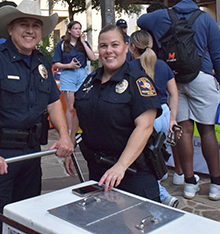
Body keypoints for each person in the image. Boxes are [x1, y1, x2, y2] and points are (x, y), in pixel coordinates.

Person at [0, 0, 73, 234]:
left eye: (36, 25)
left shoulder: (42, 61)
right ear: (10, 29)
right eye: (23, 24)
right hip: (0, 155)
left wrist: (65, 136)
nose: (30, 30)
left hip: (31, 153)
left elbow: (54, 102)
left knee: (27, 218)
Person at [137, 0, 220, 201]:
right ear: (194, 4)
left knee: (183, 130)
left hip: (174, 80)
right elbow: (217, 54)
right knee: (207, 130)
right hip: (202, 78)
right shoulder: (206, 19)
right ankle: (216, 185)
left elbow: (141, 21)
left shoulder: (163, 15)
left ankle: (189, 183)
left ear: (176, 3)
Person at [66, 25, 161, 200]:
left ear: (126, 47)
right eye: (103, 46)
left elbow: (145, 127)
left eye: (115, 45)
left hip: (132, 173)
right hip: (98, 170)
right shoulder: (90, 80)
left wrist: (121, 166)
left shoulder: (138, 81)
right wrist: (70, 146)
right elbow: (78, 112)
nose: (109, 51)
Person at [128, 29, 180, 207]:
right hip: (164, 113)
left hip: (145, 116)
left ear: (132, 47)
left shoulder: (129, 68)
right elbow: (174, 93)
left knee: (144, 162)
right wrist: (172, 118)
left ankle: (161, 194)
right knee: (156, 155)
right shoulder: (163, 66)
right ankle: (160, 184)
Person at [52, 21, 95, 134]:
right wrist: (69, 65)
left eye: (79, 28)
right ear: (69, 30)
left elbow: (93, 57)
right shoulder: (62, 45)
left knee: (82, 103)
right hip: (68, 74)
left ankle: (82, 129)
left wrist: (84, 43)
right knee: (70, 106)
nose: (78, 31)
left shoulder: (82, 44)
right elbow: (56, 63)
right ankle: (70, 131)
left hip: (81, 73)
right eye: (75, 28)